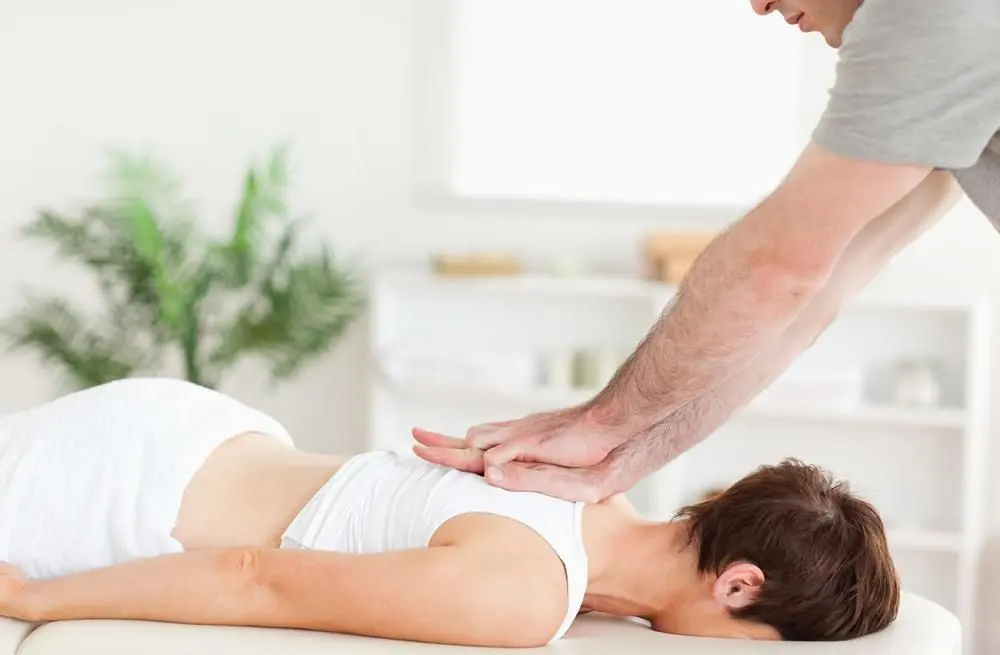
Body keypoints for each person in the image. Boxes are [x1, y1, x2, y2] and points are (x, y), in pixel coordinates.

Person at [416, 0, 1000, 503]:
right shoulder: (943, 62)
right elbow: (815, 294)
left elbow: (777, 269)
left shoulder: (929, 17)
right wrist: (615, 465)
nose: (759, 4)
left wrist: (599, 422)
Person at [0, 378, 896, 646]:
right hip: (115, 490)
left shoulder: (590, 480)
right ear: (740, 585)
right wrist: (38, 598)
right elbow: (256, 578)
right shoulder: (524, 595)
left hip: (194, 425)